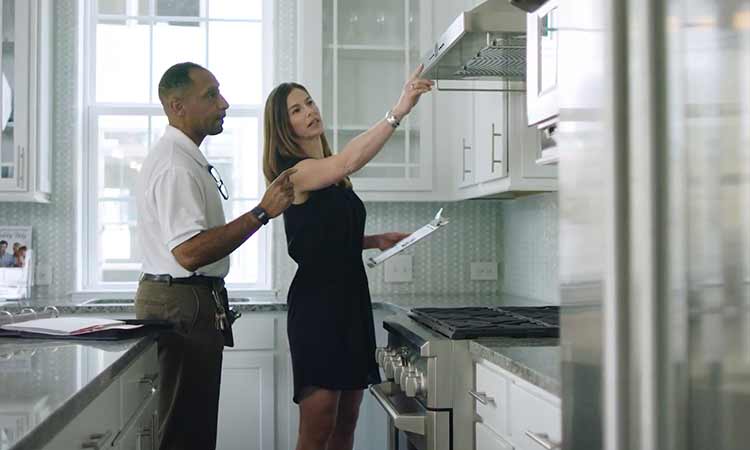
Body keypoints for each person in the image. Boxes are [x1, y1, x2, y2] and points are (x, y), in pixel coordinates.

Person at [263, 64, 433, 450]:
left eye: (309, 103)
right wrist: (399, 110)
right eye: (296, 110)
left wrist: (374, 240)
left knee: (346, 423)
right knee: (318, 427)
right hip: (318, 308)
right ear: (283, 127)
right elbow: (349, 160)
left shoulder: (332, 177)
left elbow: (324, 236)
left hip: (350, 303)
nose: (310, 111)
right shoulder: (297, 174)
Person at [135, 61, 296, 450]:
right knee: (185, 431)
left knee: (193, 423)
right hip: (182, 302)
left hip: (188, 302)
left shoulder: (185, 158)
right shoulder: (175, 167)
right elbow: (189, 252)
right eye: (211, 95)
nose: (223, 103)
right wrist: (261, 213)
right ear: (177, 106)